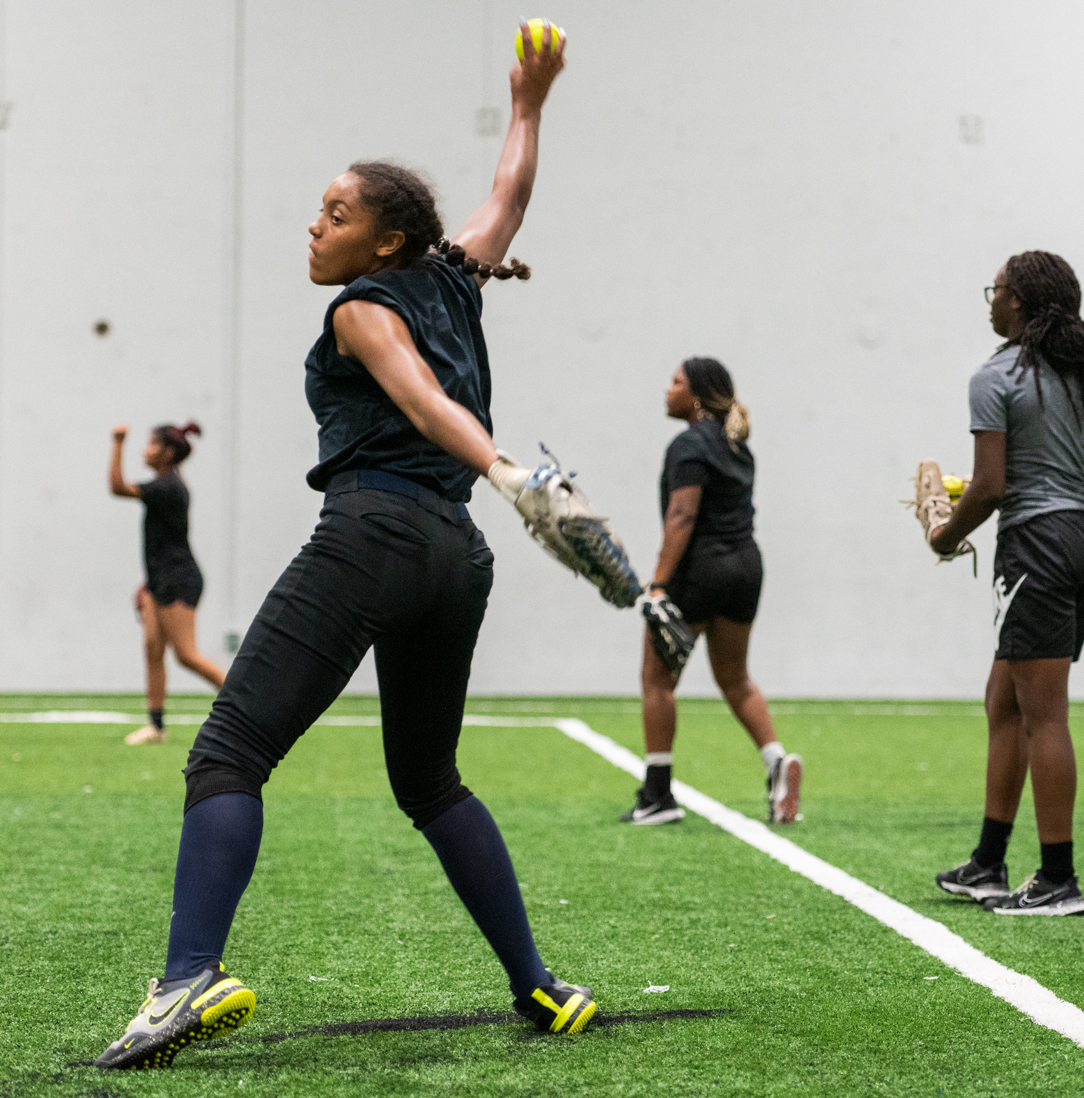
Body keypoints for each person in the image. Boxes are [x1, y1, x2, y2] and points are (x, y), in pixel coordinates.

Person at [94, 27, 594, 1071]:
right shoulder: (455, 277)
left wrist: (505, 471)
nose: (313, 226)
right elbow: (507, 197)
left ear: (382, 245)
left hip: (375, 531)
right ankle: (539, 987)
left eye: (336, 213)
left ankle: (188, 977)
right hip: (455, 561)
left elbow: (420, 399)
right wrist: (528, 102)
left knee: (227, 754)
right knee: (431, 782)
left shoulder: (363, 307)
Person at [929, 251, 1084, 917]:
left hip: (1034, 542)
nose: (990, 300)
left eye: (998, 290)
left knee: (1043, 714)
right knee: (1004, 699)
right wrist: (1082, 534)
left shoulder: (995, 377)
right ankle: (988, 863)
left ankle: (1057, 879)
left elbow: (989, 487)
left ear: (1020, 303)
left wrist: (944, 536)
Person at [621, 357, 803, 827]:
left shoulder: (688, 444)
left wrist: (658, 584)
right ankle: (776, 763)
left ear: (696, 395)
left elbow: (682, 516)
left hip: (700, 571)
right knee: (735, 678)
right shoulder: (737, 444)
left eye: (676, 382)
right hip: (746, 568)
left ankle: (658, 795)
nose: (667, 390)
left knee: (657, 679)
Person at [109, 422, 228, 745]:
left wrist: (117, 442)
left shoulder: (168, 487)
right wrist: (149, 583)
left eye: (151, 445)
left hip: (179, 580)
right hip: (158, 582)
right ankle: (156, 727)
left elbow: (117, 487)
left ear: (167, 452)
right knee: (152, 649)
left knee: (186, 655)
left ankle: (250, 707)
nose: (144, 450)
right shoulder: (165, 485)